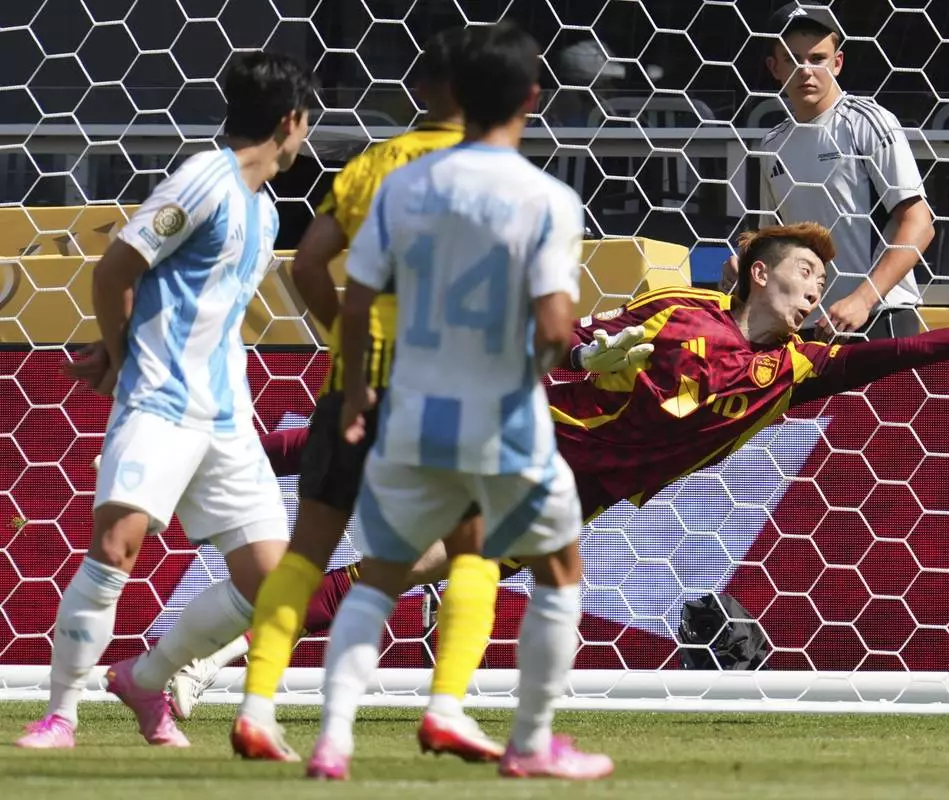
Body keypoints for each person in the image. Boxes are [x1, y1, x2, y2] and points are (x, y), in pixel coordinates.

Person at [160, 222, 949, 754]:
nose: (819, 291)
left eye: (824, 283)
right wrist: (595, 352)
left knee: (396, 569)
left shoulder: (797, 370)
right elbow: (582, 339)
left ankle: (217, 650)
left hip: (570, 495)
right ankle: (245, 465)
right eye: (807, 273)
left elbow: (901, 354)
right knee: (365, 467)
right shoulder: (680, 314)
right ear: (756, 273)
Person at [304, 21, 614, 781]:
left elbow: (357, 296)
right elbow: (548, 326)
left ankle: (332, 740)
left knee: (379, 571)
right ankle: (532, 741)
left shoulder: (404, 183)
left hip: (410, 406)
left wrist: (357, 390)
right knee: (558, 565)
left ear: (455, 97)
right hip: (501, 415)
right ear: (532, 100)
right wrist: (568, 351)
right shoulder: (547, 198)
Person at [14, 51, 314, 750]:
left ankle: (146, 679)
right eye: (307, 125)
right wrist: (121, 359)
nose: (306, 139)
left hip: (228, 416)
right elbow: (119, 265)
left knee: (273, 584)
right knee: (116, 547)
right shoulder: (205, 179)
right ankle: (61, 715)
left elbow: (179, 297)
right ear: (290, 121)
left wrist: (120, 343)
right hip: (160, 401)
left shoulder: (264, 212)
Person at [225, 27, 472, 762]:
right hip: (436, 397)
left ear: (418, 91)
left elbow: (305, 267)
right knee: (470, 552)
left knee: (305, 556)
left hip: (350, 389)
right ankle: (445, 708)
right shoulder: (487, 172)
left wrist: (347, 344)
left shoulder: (372, 162)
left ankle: (259, 705)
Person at [724, 2, 935, 342]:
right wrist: (745, 268)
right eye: (792, 60)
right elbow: (774, 240)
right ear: (773, 67)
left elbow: (920, 224)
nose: (805, 71)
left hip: (878, 316)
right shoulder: (772, 144)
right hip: (803, 326)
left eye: (817, 59)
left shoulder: (869, 121)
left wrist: (862, 300)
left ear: (837, 63)